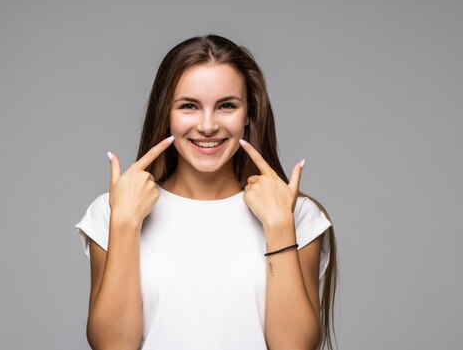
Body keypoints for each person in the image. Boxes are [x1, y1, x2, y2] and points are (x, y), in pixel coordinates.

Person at [75, 34, 338, 350]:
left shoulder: (297, 214)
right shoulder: (112, 211)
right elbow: (112, 346)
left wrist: (280, 225)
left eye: (226, 105)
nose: (208, 125)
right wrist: (125, 225)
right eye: (189, 106)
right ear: (166, 115)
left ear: (248, 114)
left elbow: (294, 347)